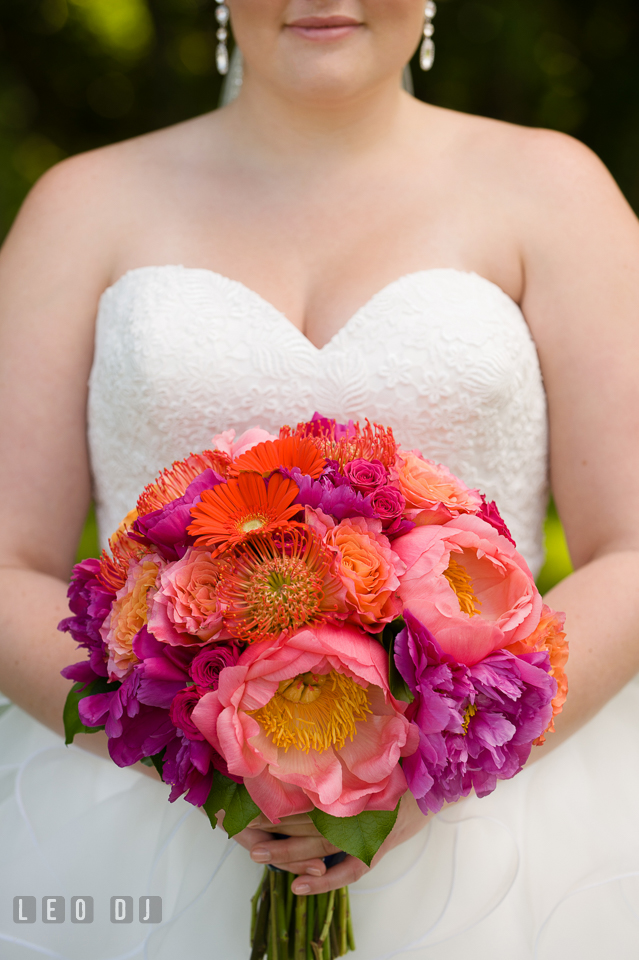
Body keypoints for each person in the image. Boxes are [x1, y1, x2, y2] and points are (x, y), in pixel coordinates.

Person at [1, 2, 638, 957]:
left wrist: (437, 765)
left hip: (499, 827)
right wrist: (204, 756)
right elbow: (7, 558)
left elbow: (629, 547)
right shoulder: (80, 205)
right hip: (145, 816)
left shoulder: (555, 189)